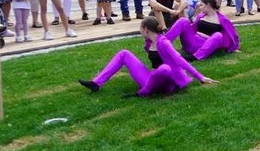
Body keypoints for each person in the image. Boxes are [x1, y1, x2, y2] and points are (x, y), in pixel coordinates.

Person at [79, 16, 216, 96]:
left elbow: (179, 59)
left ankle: (147, 91)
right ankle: (96, 83)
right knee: (124, 53)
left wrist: (200, 77)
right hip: (153, 76)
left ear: (145, 29)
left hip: (166, 80)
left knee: (164, 69)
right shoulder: (149, 42)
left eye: (140, 29)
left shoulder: (164, 42)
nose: (140, 31)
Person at [166, 0, 240, 61]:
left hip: (204, 45)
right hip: (192, 40)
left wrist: (235, 47)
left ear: (208, 5)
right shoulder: (201, 16)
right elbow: (192, 28)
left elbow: (231, 34)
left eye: (201, 5)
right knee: (183, 20)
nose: (199, 7)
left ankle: (195, 57)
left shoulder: (222, 19)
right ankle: (164, 42)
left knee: (218, 35)